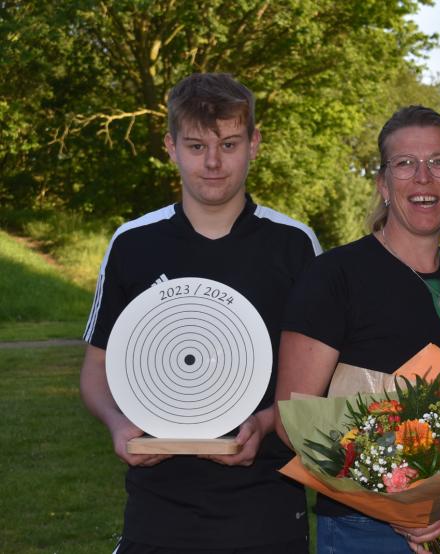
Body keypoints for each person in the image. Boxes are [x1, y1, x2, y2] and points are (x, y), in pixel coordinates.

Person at [79, 73, 321, 553]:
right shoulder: (133, 242)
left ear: (254, 144)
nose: (212, 162)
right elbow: (96, 370)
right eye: (195, 146)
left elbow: (318, 382)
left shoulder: (295, 244)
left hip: (267, 509)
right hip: (157, 511)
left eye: (229, 144)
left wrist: (265, 423)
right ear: (171, 147)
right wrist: (117, 424)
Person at [275, 105, 440, 554]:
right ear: (382, 184)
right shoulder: (335, 276)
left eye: (439, 162)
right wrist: (399, 505)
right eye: (405, 163)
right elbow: (290, 420)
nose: (423, 177)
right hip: (369, 529)